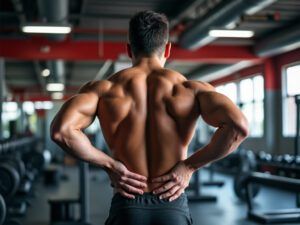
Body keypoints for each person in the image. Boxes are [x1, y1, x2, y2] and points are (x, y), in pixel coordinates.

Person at [50, 10, 248, 225]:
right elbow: (238, 127)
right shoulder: (189, 90)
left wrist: (109, 165)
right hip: (172, 203)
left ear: (129, 49)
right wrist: (189, 167)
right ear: (168, 49)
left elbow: (62, 131)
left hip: (127, 203)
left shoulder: (104, 89)